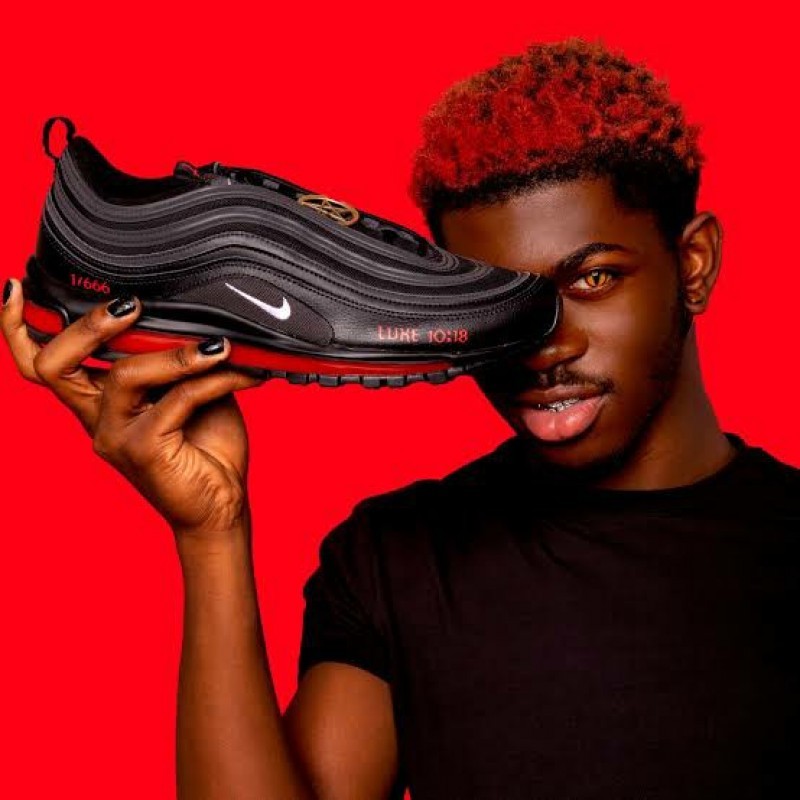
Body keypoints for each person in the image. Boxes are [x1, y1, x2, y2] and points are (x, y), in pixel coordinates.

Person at [3, 37, 799, 800]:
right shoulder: (398, 559)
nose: (546, 348)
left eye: (591, 280)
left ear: (693, 265)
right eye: (494, 302)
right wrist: (213, 539)